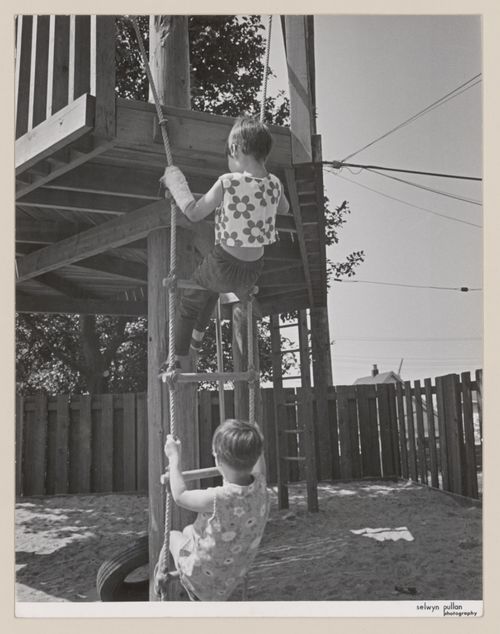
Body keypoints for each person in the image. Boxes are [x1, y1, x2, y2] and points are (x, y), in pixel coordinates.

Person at [160, 115, 289, 367]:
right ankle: (197, 335)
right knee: (209, 288)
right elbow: (283, 209)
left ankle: (176, 357)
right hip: (252, 272)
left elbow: (194, 213)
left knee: (191, 299)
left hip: (224, 264)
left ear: (235, 149)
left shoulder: (228, 182)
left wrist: (175, 184)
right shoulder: (275, 184)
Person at [164, 419, 270, 601]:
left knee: (173, 535)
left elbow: (180, 496)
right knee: (189, 530)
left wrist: (174, 459)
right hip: (231, 575)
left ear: (218, 460)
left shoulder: (218, 498)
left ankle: (161, 576)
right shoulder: (261, 487)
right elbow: (260, 463)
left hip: (200, 578)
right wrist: (256, 438)